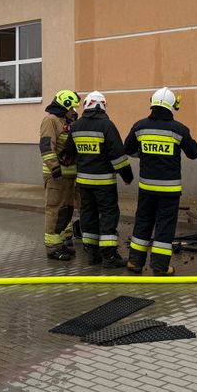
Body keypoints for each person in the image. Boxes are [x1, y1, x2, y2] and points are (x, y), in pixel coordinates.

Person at [124, 88, 197, 276]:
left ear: (152, 103)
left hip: (146, 188)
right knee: (165, 225)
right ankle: (159, 266)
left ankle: (134, 262)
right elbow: (194, 153)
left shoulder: (140, 126)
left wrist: (144, 154)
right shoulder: (179, 129)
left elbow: (128, 148)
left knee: (143, 221)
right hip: (169, 190)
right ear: (172, 106)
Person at [63, 91, 134, 267]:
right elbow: (117, 156)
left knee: (88, 215)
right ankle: (109, 256)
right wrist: (127, 176)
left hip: (84, 183)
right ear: (102, 106)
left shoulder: (76, 126)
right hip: (104, 183)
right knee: (108, 214)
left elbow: (67, 152)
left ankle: (92, 254)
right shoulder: (106, 125)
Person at [39, 89, 80, 261]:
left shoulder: (65, 121)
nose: (74, 111)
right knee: (54, 211)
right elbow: (46, 146)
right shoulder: (50, 120)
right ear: (65, 106)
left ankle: (61, 242)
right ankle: (52, 249)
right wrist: (55, 168)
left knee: (65, 211)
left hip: (68, 177)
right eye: (72, 108)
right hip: (56, 176)